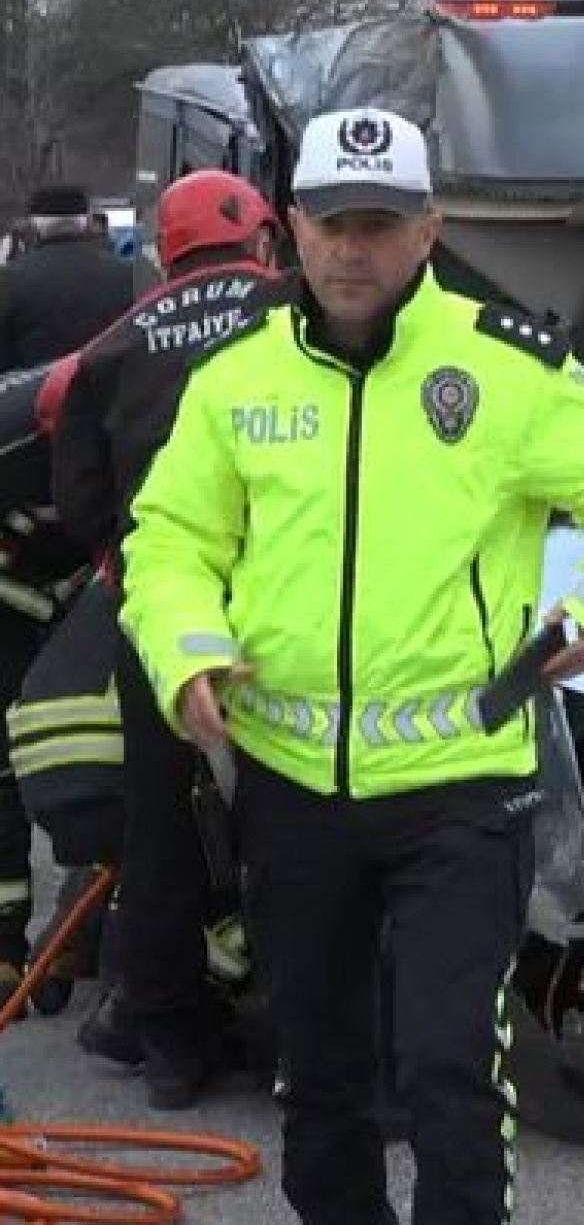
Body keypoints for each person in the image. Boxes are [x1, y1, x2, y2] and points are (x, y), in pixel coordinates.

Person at [120, 106, 584, 1225]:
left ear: (427, 229)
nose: (351, 247)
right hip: (288, 789)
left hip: (461, 793)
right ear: (290, 225)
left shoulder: (503, 369)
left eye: (379, 222)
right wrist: (184, 648)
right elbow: (170, 539)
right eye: (331, 219)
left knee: (445, 1067)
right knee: (321, 1080)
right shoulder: (233, 381)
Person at [49, 169, 286, 1108]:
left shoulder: (110, 351)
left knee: (158, 842)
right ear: (261, 235)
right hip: (287, 622)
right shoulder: (301, 308)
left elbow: (81, 506)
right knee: (300, 831)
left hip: (160, 623)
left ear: (166, 246)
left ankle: (175, 1055)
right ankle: (294, 1039)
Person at [0, 186, 133, 1012]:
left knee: (10, 765)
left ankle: (13, 951)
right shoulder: (131, 286)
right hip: (102, 550)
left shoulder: (12, 288)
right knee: (117, 758)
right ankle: (83, 941)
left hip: (24, 549)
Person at [0, 186, 133, 374]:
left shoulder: (11, 278)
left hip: (36, 396)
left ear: (33, 223)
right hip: (111, 394)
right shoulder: (127, 274)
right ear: (87, 220)